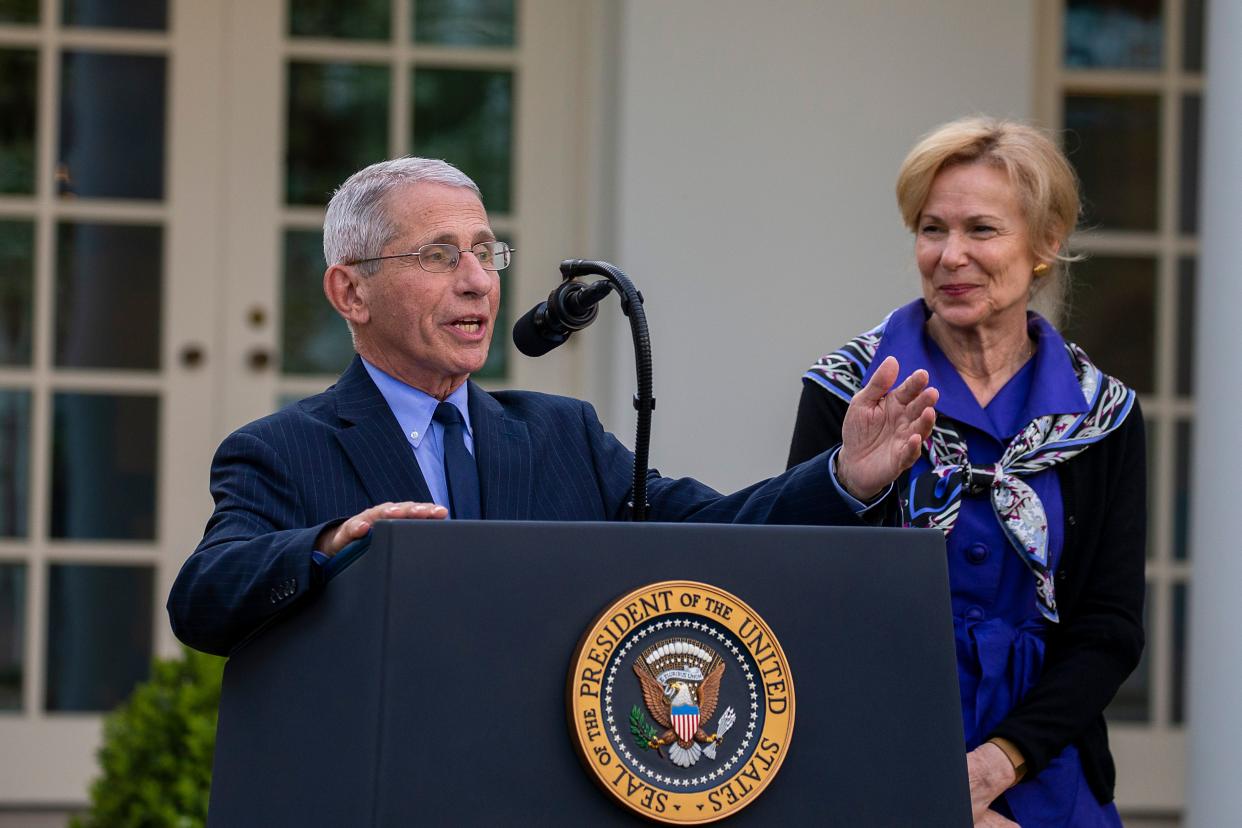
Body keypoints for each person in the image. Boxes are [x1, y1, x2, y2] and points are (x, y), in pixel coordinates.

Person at [168, 156, 938, 658]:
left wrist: (845, 476)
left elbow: (713, 535)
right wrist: (333, 543)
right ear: (350, 290)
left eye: (485, 251)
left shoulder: (560, 433)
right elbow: (204, 598)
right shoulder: (280, 449)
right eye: (440, 256)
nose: (477, 282)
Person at [788, 116, 1145, 827]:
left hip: (1046, 762)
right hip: (876, 757)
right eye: (931, 229)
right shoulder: (851, 392)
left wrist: (993, 767)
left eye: (981, 230)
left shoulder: (1102, 415)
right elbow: (804, 591)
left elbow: (1108, 628)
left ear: (1045, 245)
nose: (950, 256)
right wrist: (931, 786)